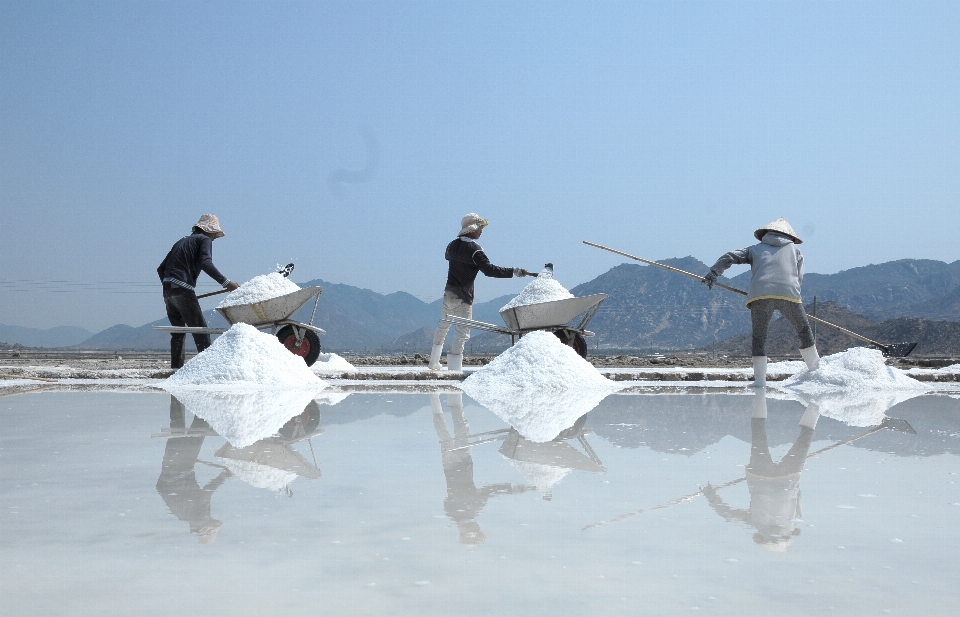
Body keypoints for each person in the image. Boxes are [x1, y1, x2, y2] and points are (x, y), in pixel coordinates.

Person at [702, 217, 820, 387]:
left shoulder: (755, 249)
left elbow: (731, 256)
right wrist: (790, 294)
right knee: (804, 331)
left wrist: (714, 273)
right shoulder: (796, 251)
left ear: (766, 234)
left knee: (759, 338)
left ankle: (759, 381)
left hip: (760, 295)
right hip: (789, 294)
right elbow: (799, 278)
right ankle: (816, 372)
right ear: (790, 237)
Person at [428, 213, 530, 371]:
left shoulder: (451, 246)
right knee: (462, 333)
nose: (482, 231)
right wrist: (513, 271)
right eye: (480, 228)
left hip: (449, 293)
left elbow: (449, 257)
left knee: (443, 326)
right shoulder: (475, 250)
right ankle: (454, 369)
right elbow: (489, 270)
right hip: (463, 297)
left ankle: (433, 362)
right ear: (472, 229)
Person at [157, 214, 239, 368]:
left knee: (178, 332)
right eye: (215, 233)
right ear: (209, 230)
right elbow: (205, 262)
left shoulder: (181, 241)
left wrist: (171, 287)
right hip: (182, 289)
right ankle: (207, 369)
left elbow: (161, 268)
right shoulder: (204, 240)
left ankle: (176, 369)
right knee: (201, 330)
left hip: (167, 290)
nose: (215, 238)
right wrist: (226, 283)